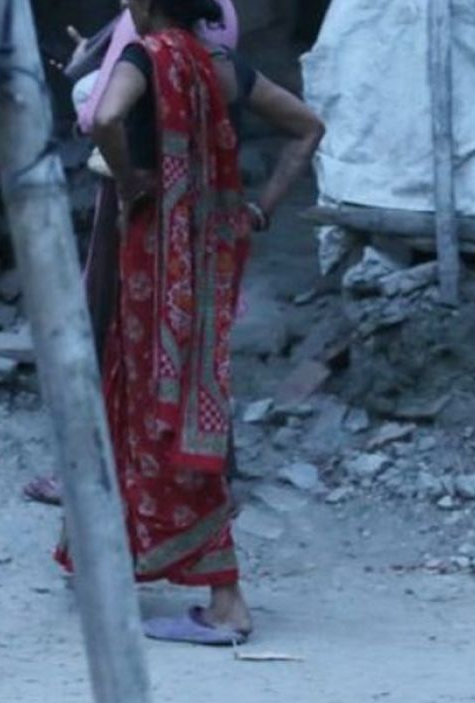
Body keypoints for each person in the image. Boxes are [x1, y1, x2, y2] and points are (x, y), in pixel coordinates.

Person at [54, 0, 325, 645]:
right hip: (207, 265)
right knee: (183, 405)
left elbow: (105, 117)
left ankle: (226, 600)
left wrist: (131, 182)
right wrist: (259, 209)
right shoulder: (221, 66)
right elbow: (308, 127)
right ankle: (112, 559)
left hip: (154, 261)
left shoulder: (143, 59)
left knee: (157, 411)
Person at [24, 0, 238, 507]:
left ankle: (99, 469)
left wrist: (127, 179)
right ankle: (208, 470)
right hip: (201, 198)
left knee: (113, 326)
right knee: (195, 333)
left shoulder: (146, 40)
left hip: (141, 198)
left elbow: (100, 113)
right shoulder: (216, 19)